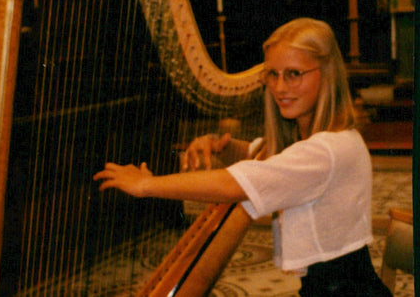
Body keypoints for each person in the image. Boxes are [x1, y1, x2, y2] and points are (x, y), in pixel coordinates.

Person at [93, 18, 391, 296]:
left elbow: (230, 185)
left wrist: (147, 185)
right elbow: (265, 156)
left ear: (326, 75)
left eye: (293, 74)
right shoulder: (323, 141)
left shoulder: (326, 150)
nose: (279, 87)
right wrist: (222, 145)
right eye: (272, 74)